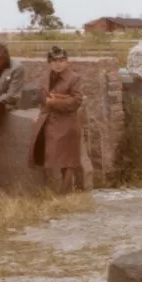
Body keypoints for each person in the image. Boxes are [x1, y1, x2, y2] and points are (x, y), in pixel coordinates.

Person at [30, 46, 85, 191]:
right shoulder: (45, 77)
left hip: (66, 122)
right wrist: (39, 115)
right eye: (54, 61)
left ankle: (65, 192)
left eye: (61, 60)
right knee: (45, 157)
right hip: (47, 121)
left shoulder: (74, 78)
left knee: (67, 160)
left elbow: (77, 101)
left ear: (67, 62)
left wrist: (55, 102)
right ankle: (50, 191)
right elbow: (41, 99)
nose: (58, 64)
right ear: (49, 62)